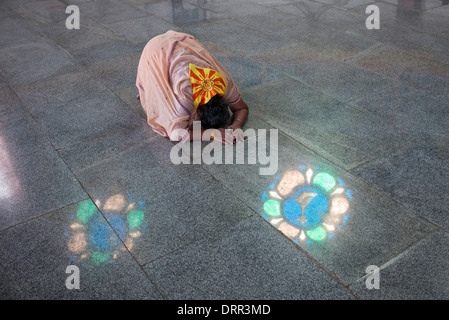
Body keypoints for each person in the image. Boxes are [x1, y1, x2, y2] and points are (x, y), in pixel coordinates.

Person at [136, 30, 249, 144]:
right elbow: (175, 134)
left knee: (170, 80)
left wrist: (236, 125)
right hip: (155, 50)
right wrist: (212, 134)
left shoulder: (224, 84)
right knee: (162, 94)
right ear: (198, 113)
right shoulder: (184, 101)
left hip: (182, 39)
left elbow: (242, 108)